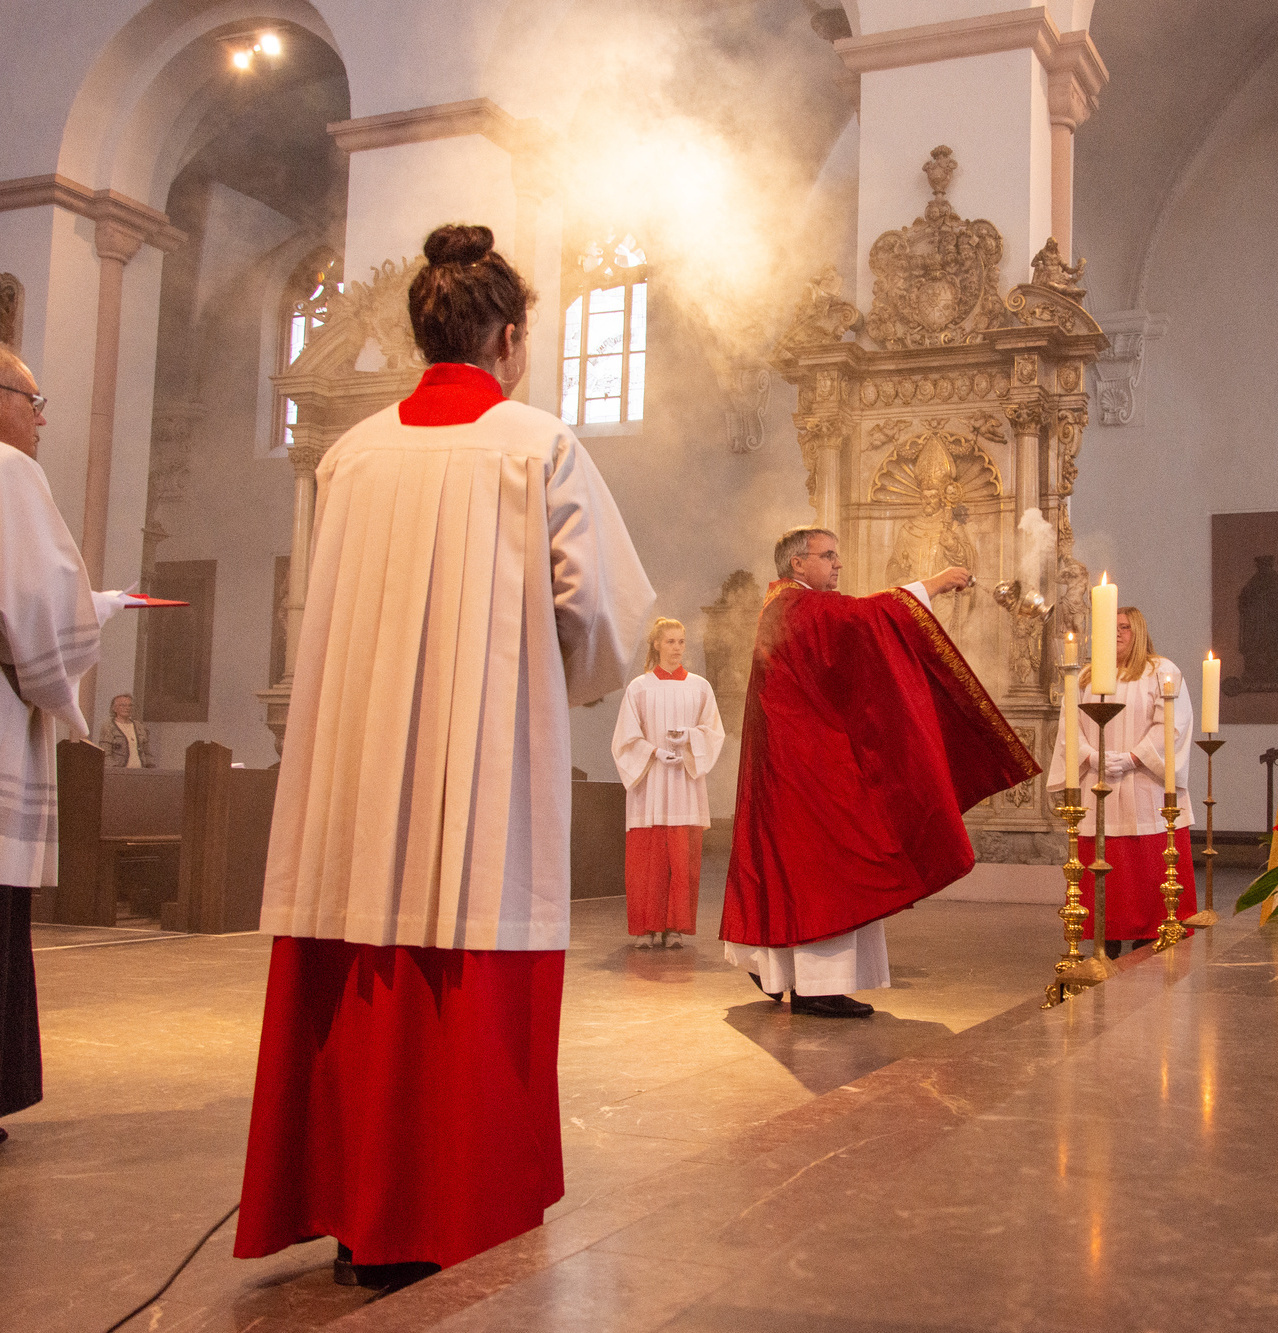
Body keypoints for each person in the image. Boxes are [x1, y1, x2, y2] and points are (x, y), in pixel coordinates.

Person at [235, 224, 655, 1288]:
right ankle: (441, 1207)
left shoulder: (349, 454)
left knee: (354, 944)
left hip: (353, 756)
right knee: (467, 935)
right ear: (509, 339)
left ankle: (348, 1208)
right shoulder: (536, 444)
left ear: (424, 331)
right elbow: (601, 612)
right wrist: (551, 672)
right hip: (482, 748)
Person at [721, 525, 1041, 1017]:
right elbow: (862, 618)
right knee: (834, 869)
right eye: (827, 557)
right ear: (797, 565)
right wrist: (929, 585)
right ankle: (815, 986)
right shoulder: (795, 606)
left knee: (804, 870)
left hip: (799, 767)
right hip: (806, 774)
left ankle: (782, 971)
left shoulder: (788, 607)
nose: (838, 565)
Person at [0, 348, 133, 1145]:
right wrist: (93, 616)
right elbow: (42, 609)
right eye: (32, 398)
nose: (42, 417)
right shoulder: (9, 471)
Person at [1046, 606, 1196, 958]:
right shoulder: (1084, 677)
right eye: (1109, 627)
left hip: (1147, 784)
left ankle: (1151, 935)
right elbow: (1069, 728)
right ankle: (1105, 938)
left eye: (1125, 627)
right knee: (1104, 868)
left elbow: (1172, 725)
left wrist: (1132, 758)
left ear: (1139, 630)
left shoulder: (1162, 671)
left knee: (1148, 865)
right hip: (1098, 782)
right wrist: (1094, 757)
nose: (1116, 634)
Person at [612, 617, 724, 949]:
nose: (677, 648)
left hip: (685, 784)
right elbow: (624, 739)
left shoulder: (700, 686)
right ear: (657, 644)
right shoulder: (639, 687)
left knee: (682, 857)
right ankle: (645, 927)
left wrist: (689, 737)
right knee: (648, 859)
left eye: (681, 642)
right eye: (670, 642)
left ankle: (676, 926)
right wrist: (653, 753)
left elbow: (712, 732)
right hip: (651, 783)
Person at [102, 693, 154, 768]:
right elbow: (106, 754)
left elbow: (147, 752)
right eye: (123, 705)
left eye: (130, 705)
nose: (127, 708)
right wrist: (114, 769)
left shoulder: (139, 726)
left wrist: (150, 767)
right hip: (119, 773)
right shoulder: (108, 727)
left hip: (140, 773)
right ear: (114, 708)